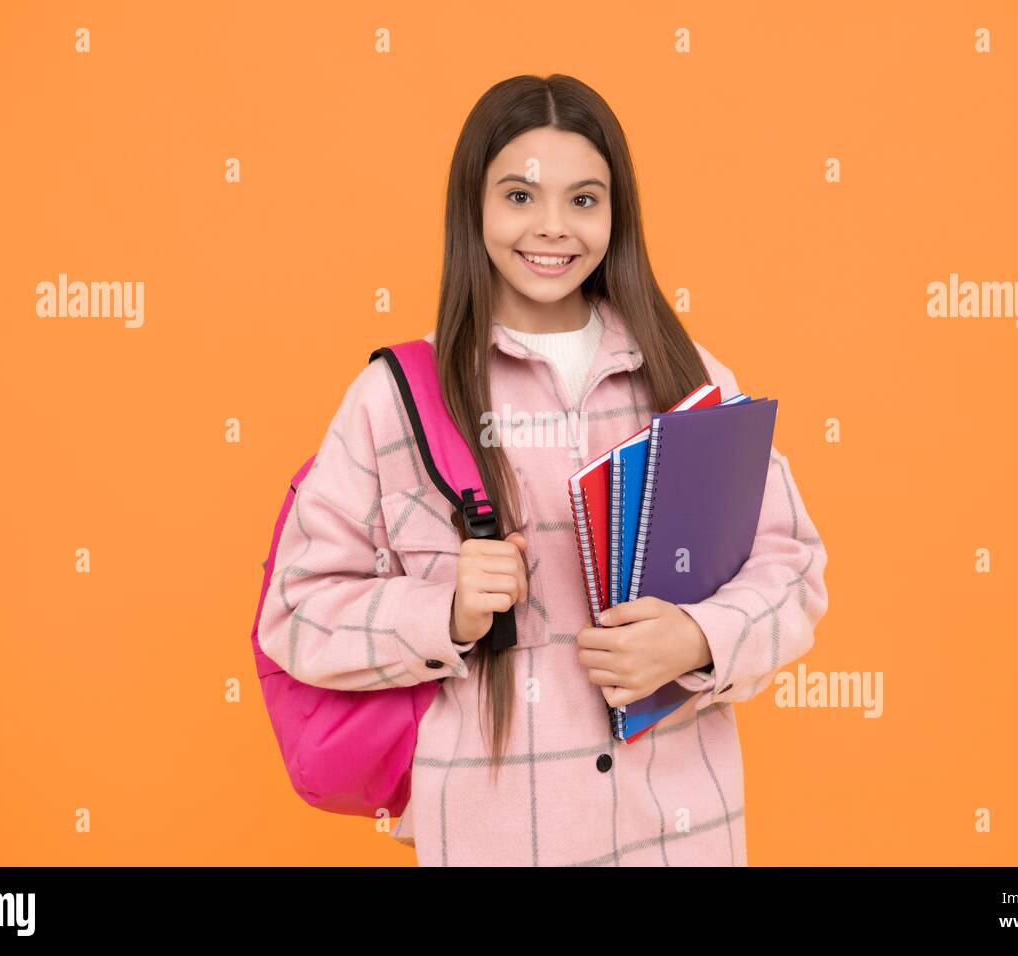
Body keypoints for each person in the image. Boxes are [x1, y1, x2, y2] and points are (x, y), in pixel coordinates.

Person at [256, 73, 829, 866]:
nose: (553, 228)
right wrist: (444, 613)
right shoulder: (394, 400)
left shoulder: (688, 378)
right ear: (474, 208)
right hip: (498, 842)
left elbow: (792, 570)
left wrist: (698, 638)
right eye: (520, 197)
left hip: (682, 839)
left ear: (616, 212)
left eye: (584, 200)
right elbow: (294, 612)